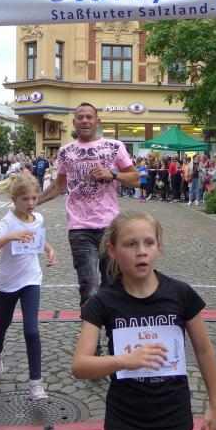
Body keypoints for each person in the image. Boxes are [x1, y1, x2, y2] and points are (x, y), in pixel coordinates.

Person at [72, 211, 216, 430]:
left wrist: (215, 404)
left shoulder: (181, 294)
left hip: (173, 421)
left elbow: (204, 350)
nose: (141, 251)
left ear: (158, 246)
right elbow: (80, 366)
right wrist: (125, 360)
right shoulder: (102, 302)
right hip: (125, 424)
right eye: (130, 244)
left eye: (148, 243)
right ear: (112, 251)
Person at [37, 103, 139, 316]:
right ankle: (91, 336)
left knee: (113, 286)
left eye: (89, 117)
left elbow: (136, 179)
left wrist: (112, 174)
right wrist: (32, 202)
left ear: (97, 121)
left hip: (111, 228)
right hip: (80, 229)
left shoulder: (114, 146)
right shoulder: (65, 152)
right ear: (74, 122)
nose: (85, 121)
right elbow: (58, 186)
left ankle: (113, 332)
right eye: (80, 117)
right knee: (89, 289)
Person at [0, 173, 55, 401]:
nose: (31, 203)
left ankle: (36, 384)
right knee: (3, 323)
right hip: (7, 282)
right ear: (14, 199)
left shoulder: (38, 218)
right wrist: (10, 236)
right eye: (26, 199)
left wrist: (49, 249)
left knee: (31, 330)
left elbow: (37, 237)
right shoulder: (7, 221)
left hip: (31, 279)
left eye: (34, 198)